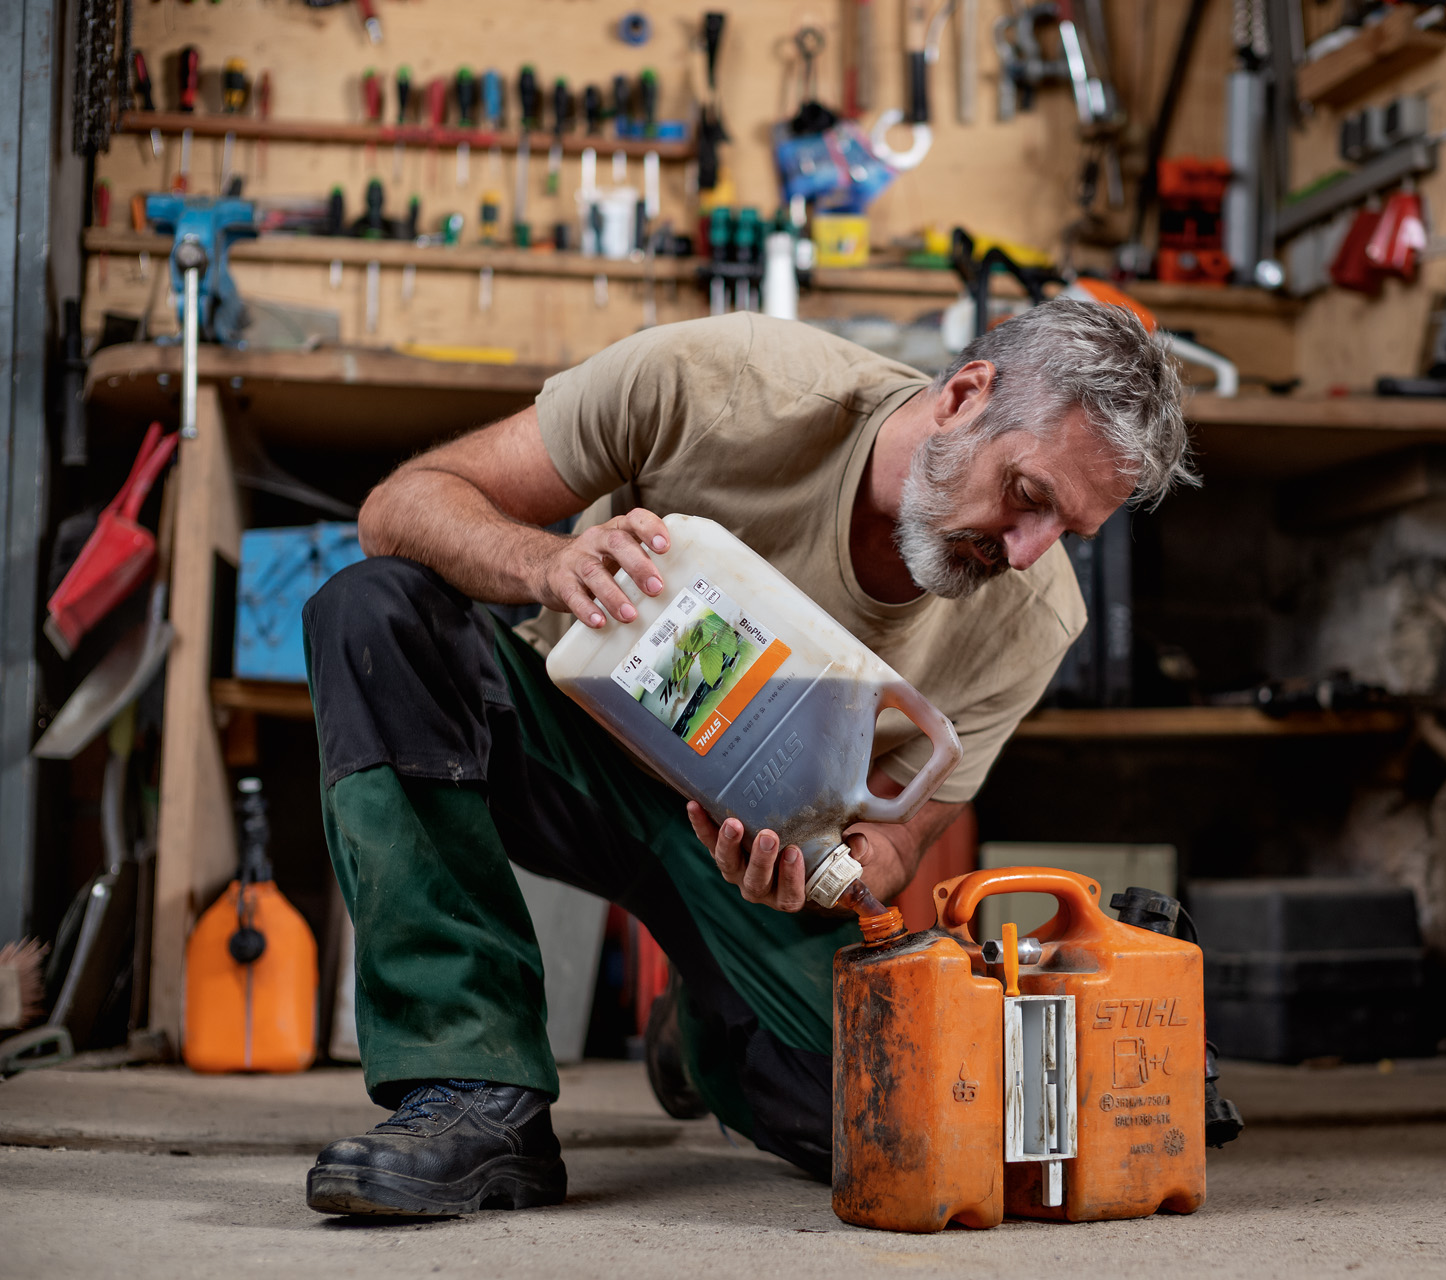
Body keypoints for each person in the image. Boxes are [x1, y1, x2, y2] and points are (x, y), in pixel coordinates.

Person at [300, 299, 1194, 1217]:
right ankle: (472, 1092)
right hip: (561, 738)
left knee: (891, 1127)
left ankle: (701, 1038)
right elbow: (400, 505)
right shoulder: (728, 383)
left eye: (1066, 532)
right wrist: (547, 560)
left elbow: (897, 841)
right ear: (966, 396)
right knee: (375, 614)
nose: (1028, 551)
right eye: (1029, 496)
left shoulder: (1035, 617)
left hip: (748, 846)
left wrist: (818, 872)